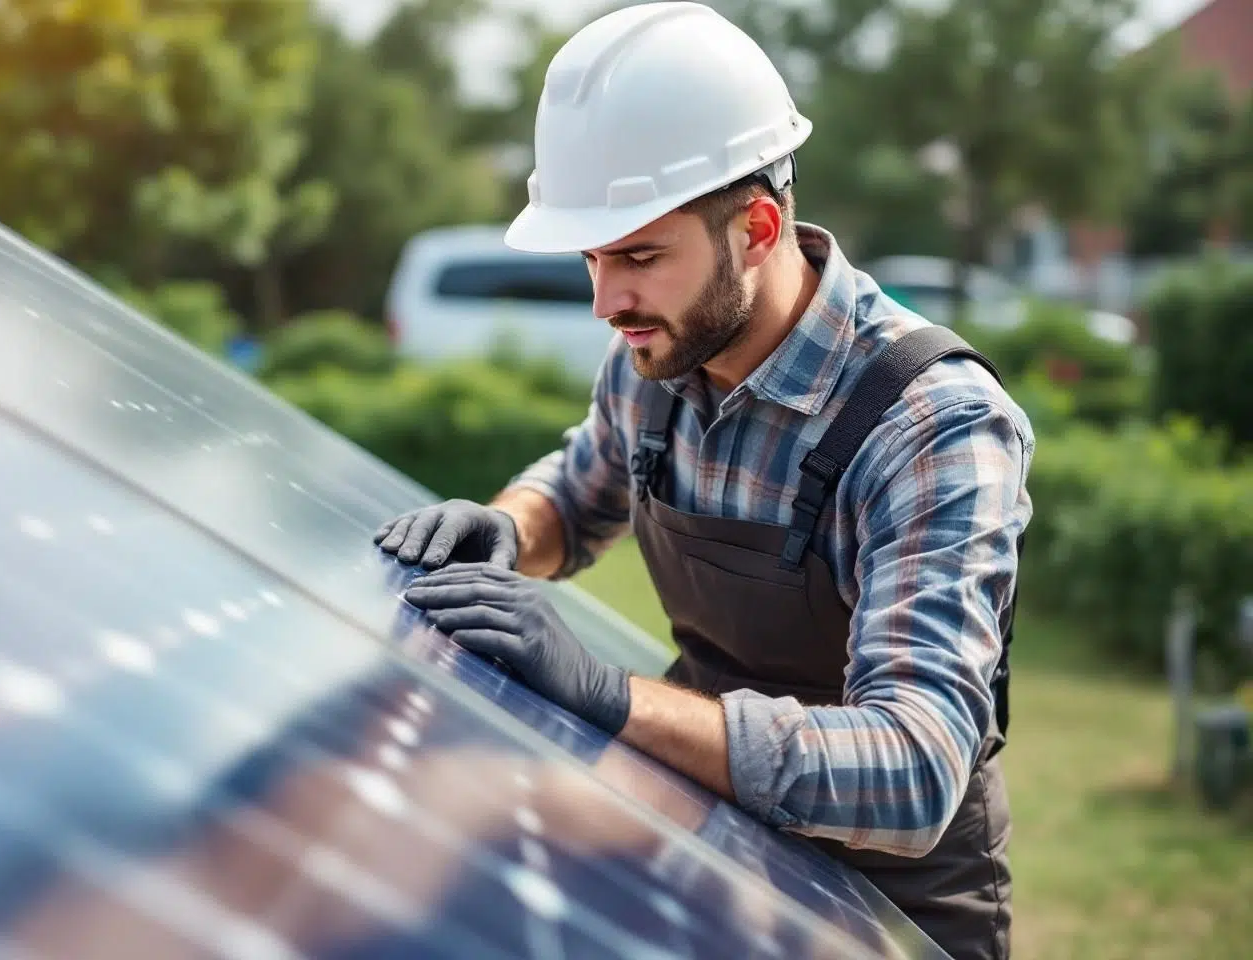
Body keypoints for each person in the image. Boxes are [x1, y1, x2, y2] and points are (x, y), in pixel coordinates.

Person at [374, 4, 1033, 958]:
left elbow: (915, 771)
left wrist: (611, 694)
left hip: (890, 912)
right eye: (594, 260)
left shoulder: (930, 426)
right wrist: (509, 528)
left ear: (757, 226)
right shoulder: (660, 355)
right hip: (709, 852)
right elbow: (580, 488)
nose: (608, 303)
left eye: (639, 256)